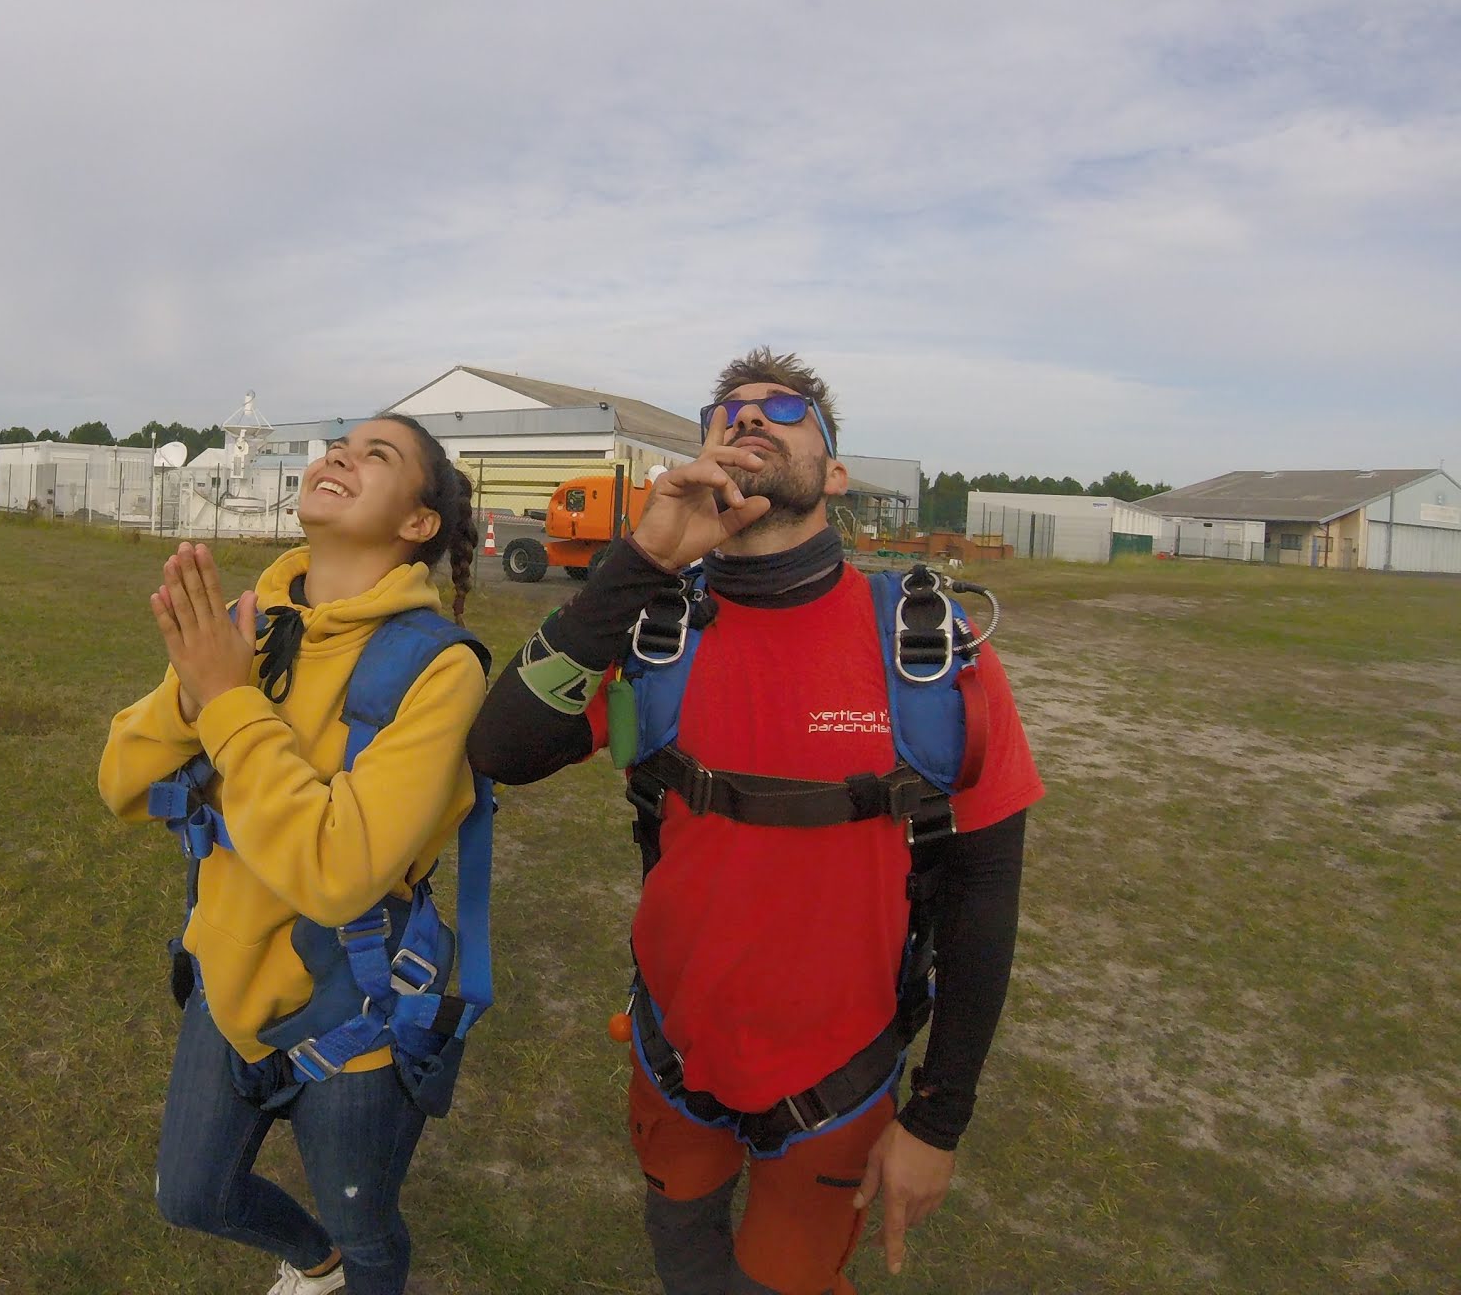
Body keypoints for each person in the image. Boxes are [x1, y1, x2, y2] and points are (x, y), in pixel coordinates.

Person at [467, 349, 1043, 1295]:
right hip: (671, 1054)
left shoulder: (930, 652)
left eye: (784, 408)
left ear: (835, 472)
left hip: (840, 1086)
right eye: (725, 410)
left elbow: (985, 892)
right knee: (683, 1253)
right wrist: (642, 562)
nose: (747, 417)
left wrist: (938, 1120)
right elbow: (502, 749)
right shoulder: (656, 633)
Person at [98, 413, 488, 1295]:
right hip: (226, 985)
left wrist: (226, 699)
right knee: (191, 1197)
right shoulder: (249, 624)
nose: (341, 454)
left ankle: (353, 1261)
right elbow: (121, 782)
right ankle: (318, 1267)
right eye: (341, 443)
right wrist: (195, 693)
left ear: (419, 522)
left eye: (378, 455)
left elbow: (338, 872)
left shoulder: (439, 668)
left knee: (367, 1226)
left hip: (355, 1013)